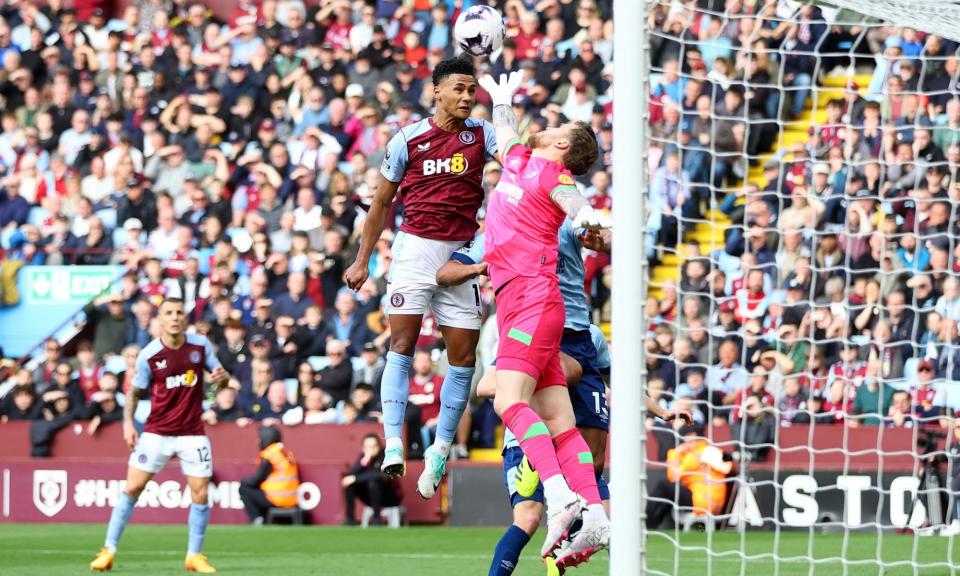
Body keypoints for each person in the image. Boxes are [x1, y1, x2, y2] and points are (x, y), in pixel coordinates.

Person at [343, 56, 498, 496]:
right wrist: (362, 259)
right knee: (402, 344)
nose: (468, 97)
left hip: (461, 254)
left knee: (464, 358)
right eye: (459, 89)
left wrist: (503, 110)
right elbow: (380, 204)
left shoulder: (482, 135)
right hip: (414, 250)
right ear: (437, 91)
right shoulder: (407, 140)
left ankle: (439, 450)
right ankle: (394, 443)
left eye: (473, 91)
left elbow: (515, 154)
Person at [478, 70, 612, 566]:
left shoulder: (554, 175)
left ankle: (559, 494)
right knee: (559, 420)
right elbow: (509, 132)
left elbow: (576, 205)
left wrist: (591, 221)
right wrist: (501, 98)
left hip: (529, 299)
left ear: (559, 141)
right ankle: (595, 513)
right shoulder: (518, 160)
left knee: (507, 402)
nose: (548, 124)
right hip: (533, 302)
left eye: (557, 124)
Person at [90, 298, 229, 574]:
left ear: (185, 319)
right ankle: (108, 550)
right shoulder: (148, 355)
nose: (175, 317)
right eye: (169, 313)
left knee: (201, 493)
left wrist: (221, 379)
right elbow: (134, 393)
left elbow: (220, 378)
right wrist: (128, 424)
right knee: (131, 489)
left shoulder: (200, 346)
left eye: (179, 313)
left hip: (192, 432)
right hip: (157, 431)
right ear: (160, 319)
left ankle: (194, 555)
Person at [646, 425, 733, 530]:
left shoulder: (705, 450)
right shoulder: (687, 454)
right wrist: (675, 454)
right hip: (697, 497)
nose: (689, 440)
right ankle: (649, 525)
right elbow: (672, 476)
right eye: (686, 436)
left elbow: (675, 476)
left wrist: (677, 454)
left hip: (706, 499)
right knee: (668, 494)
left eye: (691, 436)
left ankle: (645, 522)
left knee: (663, 486)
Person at [238, 426, 300, 525]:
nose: (258, 441)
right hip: (292, 500)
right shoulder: (285, 452)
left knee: (244, 488)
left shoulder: (270, 454)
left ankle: (257, 519)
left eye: (260, 438)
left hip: (276, 499)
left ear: (266, 438)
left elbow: (257, 480)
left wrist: (242, 481)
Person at [342, 433, 402, 526]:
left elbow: (381, 476)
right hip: (369, 497)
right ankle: (350, 520)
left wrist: (356, 478)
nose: (371, 449)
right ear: (363, 448)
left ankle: (376, 519)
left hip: (389, 496)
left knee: (373, 483)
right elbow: (350, 476)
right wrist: (364, 461)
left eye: (373, 446)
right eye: (367, 447)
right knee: (350, 485)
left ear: (379, 446)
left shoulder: (385, 456)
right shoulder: (363, 458)